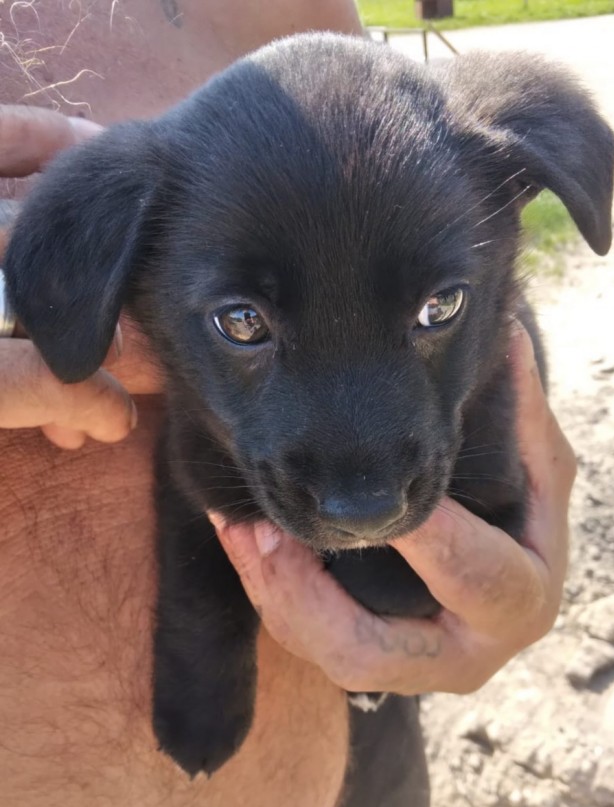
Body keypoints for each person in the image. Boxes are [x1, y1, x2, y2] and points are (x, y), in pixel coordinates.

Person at [0, 2, 575, 805]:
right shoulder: (140, 207)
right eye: (243, 323)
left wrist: (497, 587)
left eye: (436, 306)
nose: (365, 493)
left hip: (359, 740)